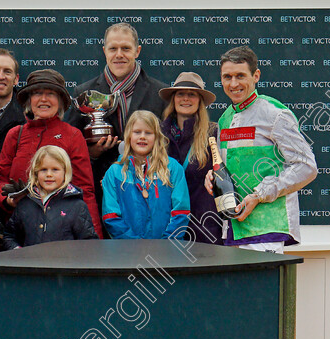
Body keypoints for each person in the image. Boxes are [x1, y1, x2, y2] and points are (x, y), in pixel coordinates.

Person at [212, 46, 317, 254]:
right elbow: (228, 169)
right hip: (233, 228)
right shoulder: (224, 119)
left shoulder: (275, 113)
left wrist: (259, 195)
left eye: (240, 76)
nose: (233, 84)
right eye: (227, 77)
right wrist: (212, 176)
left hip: (268, 229)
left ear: (256, 75)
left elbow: (306, 167)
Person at [65, 22, 168, 209]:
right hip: (100, 194)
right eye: (113, 48)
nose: (119, 54)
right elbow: (68, 148)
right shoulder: (84, 93)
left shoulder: (160, 93)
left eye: (126, 48)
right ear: (104, 51)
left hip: (150, 194)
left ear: (137, 51)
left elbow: (169, 146)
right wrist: (92, 153)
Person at [0, 69, 102, 237]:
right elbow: (0, 180)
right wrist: (7, 201)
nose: (43, 99)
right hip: (18, 234)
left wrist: (94, 239)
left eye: (50, 93)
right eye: (37, 93)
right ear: (29, 100)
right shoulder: (15, 134)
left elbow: (85, 191)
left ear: (60, 100)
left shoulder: (72, 135)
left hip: (61, 235)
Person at [101, 110, 189, 240]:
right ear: (128, 136)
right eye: (137, 132)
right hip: (128, 252)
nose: (142, 137)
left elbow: (181, 211)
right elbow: (111, 216)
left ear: (157, 137)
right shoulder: (114, 172)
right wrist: (135, 245)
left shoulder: (173, 168)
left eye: (148, 133)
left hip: (167, 251)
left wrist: (167, 243)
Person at [159, 72, 223, 244]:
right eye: (180, 93)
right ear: (173, 99)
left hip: (204, 227)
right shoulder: (157, 134)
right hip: (166, 227)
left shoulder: (214, 133)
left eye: (192, 94)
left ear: (200, 101)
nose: (185, 98)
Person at [2, 145, 98, 249]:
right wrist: (18, 252)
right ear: (35, 172)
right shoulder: (25, 202)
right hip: (30, 263)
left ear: (65, 172)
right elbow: (9, 236)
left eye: (55, 169)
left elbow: (89, 244)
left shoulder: (77, 206)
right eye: (43, 169)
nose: (49, 174)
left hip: (64, 264)